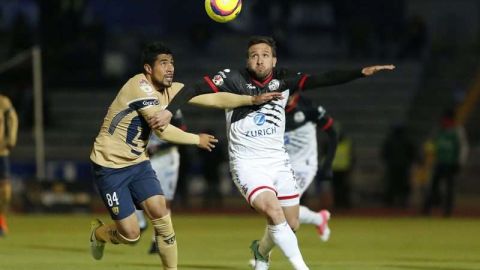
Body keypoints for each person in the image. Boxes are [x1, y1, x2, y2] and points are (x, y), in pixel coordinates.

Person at [149, 36, 394, 270]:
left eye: (265, 55)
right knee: (274, 212)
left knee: (291, 223)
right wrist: (170, 111)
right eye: (254, 55)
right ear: (247, 60)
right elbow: (193, 88)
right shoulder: (233, 79)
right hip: (247, 164)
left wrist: (360, 72)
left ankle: (260, 252)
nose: (259, 60)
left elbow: (325, 78)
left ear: (274, 60)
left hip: (278, 163)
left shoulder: (284, 79)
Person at [88, 41, 282, 269]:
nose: (170, 68)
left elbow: (213, 97)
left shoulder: (168, 89)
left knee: (162, 218)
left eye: (172, 63)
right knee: (131, 236)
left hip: (138, 163)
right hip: (110, 166)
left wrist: (250, 100)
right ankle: (98, 234)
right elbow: (162, 129)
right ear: (148, 69)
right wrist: (196, 139)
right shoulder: (138, 87)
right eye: (163, 63)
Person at [284, 94, 337, 242]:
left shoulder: (308, 107)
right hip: (282, 165)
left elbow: (332, 133)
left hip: (304, 165)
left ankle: (262, 258)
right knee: (275, 207)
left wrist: (328, 164)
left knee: (282, 210)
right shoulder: (272, 105)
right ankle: (319, 219)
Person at [135, 109, 186, 254]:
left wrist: (159, 147)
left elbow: (181, 131)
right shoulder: (139, 101)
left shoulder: (172, 106)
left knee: (164, 202)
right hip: (144, 157)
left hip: (166, 158)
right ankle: (140, 222)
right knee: (135, 192)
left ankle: (157, 240)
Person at [422, 109, 469, 217]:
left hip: (451, 163)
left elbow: (463, 147)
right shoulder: (439, 130)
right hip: (439, 162)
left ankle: (447, 211)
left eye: (445, 119)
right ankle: (426, 210)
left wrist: (459, 162)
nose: (443, 121)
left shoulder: (458, 131)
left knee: (449, 188)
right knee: (433, 186)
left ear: (451, 120)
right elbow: (431, 144)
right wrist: (429, 153)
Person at [381, 124, 416, 208]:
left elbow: (384, 153)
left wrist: (388, 161)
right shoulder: (407, 140)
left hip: (393, 166)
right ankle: (401, 201)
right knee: (402, 184)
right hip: (403, 166)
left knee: (392, 183)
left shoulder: (390, 140)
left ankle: (390, 201)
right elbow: (412, 153)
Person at [0, 94, 18, 236]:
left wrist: (11, 138)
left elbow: (12, 119)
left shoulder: (3, 101)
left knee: (5, 191)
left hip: (1, 151)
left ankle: (1, 219)